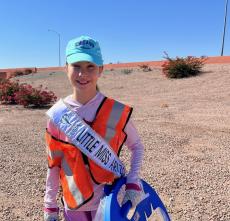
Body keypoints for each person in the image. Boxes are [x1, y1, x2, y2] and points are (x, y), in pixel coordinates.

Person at [44, 35, 144, 221]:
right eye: (76, 66)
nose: (83, 74)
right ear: (66, 68)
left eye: (90, 66)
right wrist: (50, 205)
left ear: (101, 69)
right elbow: (54, 164)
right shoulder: (56, 116)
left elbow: (137, 146)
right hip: (73, 203)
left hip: (110, 200)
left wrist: (133, 180)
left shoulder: (116, 110)